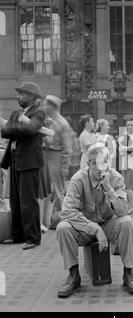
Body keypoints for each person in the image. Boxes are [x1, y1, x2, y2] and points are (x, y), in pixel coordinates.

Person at [56, 143, 133, 298]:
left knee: (127, 222)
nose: (101, 168)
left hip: (109, 224)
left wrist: (109, 189)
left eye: (104, 162)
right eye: (96, 163)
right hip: (85, 228)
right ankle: (73, 275)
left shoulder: (115, 178)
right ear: (89, 164)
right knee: (63, 227)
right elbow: (67, 211)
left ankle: (128, 273)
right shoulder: (78, 179)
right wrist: (94, 228)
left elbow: (123, 211)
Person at [0, 81, 47, 250]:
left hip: (29, 161)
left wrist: (14, 127)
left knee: (28, 201)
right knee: (15, 201)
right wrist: (17, 126)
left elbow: (31, 129)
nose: (18, 96)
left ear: (32, 97)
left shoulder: (39, 113)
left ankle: (33, 238)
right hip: (15, 160)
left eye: (22, 93)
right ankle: (18, 235)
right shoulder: (17, 113)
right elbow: (4, 131)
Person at [42, 95, 73, 229]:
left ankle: (60, 220)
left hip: (57, 156)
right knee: (48, 189)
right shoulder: (49, 120)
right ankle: (50, 220)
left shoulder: (62, 123)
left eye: (45, 104)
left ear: (52, 106)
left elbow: (68, 147)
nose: (43, 107)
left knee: (58, 189)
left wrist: (65, 166)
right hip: (48, 155)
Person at [118, 117, 133, 213]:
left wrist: (126, 148)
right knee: (128, 186)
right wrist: (131, 149)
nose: (129, 127)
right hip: (126, 164)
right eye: (128, 125)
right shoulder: (123, 137)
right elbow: (121, 150)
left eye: (131, 125)